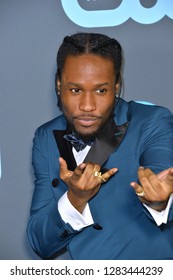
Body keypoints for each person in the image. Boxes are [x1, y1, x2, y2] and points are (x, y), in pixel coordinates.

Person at [27, 32, 173, 260]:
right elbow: (40, 241)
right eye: (75, 90)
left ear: (116, 86)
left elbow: (161, 175)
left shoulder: (151, 122)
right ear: (59, 85)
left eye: (101, 91)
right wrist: (75, 199)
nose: (87, 106)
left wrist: (161, 201)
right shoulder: (46, 136)